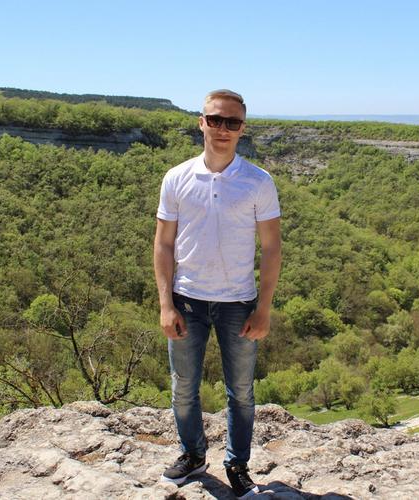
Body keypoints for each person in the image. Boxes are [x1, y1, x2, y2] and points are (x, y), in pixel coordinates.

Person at [154, 89, 281, 499]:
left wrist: (263, 309)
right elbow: (163, 244)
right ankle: (193, 456)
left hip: (238, 303)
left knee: (241, 392)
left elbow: (272, 248)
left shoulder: (259, 182)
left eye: (232, 122)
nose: (222, 128)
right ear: (201, 123)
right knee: (183, 387)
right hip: (187, 300)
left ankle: (237, 465)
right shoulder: (177, 178)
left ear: (242, 129)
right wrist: (165, 304)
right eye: (215, 119)